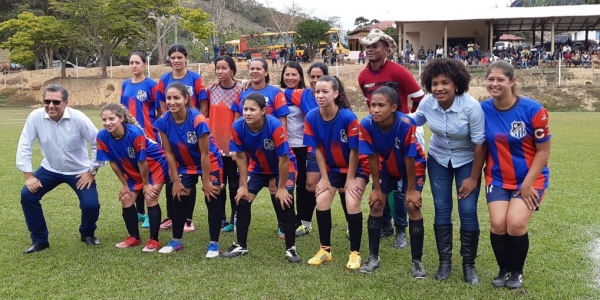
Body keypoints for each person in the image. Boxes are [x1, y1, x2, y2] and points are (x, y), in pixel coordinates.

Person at [410, 58, 486, 284]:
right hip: (438, 159)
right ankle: (445, 262)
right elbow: (416, 119)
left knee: (468, 210)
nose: (439, 88)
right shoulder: (427, 102)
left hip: (467, 161)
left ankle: (469, 265)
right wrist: (393, 118)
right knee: (442, 209)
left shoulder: (471, 107)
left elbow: (480, 143)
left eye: (445, 82)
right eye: (434, 83)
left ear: (456, 84)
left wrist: (473, 177)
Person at [482, 61, 551, 289]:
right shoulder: (482, 109)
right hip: (498, 178)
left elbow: (543, 151)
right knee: (498, 224)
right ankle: (504, 270)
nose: (495, 83)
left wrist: (528, 184)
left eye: (500, 79)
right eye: (491, 79)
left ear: (512, 82)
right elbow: (480, 146)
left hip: (531, 179)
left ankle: (517, 272)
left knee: (515, 224)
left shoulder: (533, 110)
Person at [358, 28, 425, 250]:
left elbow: (419, 98)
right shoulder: (363, 76)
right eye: (367, 46)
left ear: (386, 48)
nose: (370, 49)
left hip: (403, 133)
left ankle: (401, 230)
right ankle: (384, 224)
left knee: (400, 187)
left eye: (375, 45)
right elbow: (371, 106)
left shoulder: (398, 71)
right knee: (381, 180)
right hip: (379, 134)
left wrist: (407, 120)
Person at [17, 84, 103, 253]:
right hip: (50, 169)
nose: (50, 106)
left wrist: (91, 172)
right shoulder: (35, 117)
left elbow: (98, 144)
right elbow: (25, 144)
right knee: (27, 195)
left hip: (79, 171)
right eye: (47, 101)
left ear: (66, 102)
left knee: (91, 205)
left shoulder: (79, 118)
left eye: (56, 102)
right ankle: (40, 240)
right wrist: (29, 176)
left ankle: (87, 233)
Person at [223, 92, 301, 263]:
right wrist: (243, 185)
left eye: (252, 109)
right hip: (257, 168)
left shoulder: (275, 126)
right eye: (245, 109)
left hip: (283, 167)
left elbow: (284, 159)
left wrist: (281, 188)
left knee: (285, 201)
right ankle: (241, 245)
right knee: (242, 199)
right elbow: (241, 158)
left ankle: (291, 249)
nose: (248, 113)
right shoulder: (237, 126)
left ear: (263, 111)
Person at [358, 85, 426, 276]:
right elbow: (371, 156)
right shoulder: (367, 124)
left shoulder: (405, 124)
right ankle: (373, 257)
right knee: (376, 203)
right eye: (373, 105)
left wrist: (411, 190)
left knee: (413, 206)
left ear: (394, 107)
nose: (375, 110)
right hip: (386, 167)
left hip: (411, 167)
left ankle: (417, 262)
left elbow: (410, 158)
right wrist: (377, 188)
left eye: (381, 105)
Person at [304, 75, 369, 270]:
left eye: (325, 91)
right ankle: (325, 250)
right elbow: (317, 151)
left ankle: (355, 253)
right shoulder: (311, 117)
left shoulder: (348, 117)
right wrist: (324, 179)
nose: (320, 95)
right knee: (322, 199)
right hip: (332, 168)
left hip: (355, 167)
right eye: (317, 91)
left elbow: (355, 151)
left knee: (351, 201)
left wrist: (350, 179)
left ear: (335, 93)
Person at [153, 82, 224, 257]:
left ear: (186, 99)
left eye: (176, 97)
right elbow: (169, 152)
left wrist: (206, 182)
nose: (171, 102)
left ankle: (214, 244)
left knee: (212, 196)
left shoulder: (198, 119)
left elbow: (205, 153)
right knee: (178, 195)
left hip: (209, 161)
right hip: (184, 164)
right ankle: (176, 240)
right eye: (168, 98)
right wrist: (176, 181)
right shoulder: (162, 121)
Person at [96, 103, 169, 252]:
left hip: (154, 165)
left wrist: (146, 184)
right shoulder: (102, 136)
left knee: (150, 197)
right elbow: (113, 162)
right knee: (126, 198)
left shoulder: (135, 133)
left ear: (121, 118)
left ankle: (154, 240)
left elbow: (142, 161)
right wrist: (124, 184)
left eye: (111, 118)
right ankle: (134, 237)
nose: (107, 123)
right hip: (134, 169)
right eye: (104, 119)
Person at [156, 43, 208, 232]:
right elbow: (162, 106)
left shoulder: (195, 78)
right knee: (173, 174)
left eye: (180, 57)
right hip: (172, 133)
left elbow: (204, 105)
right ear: (169, 59)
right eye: (173, 57)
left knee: (190, 174)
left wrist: (197, 126)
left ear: (186, 58)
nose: (176, 60)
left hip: (193, 133)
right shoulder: (163, 79)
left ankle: (188, 218)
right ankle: (172, 216)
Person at [279, 62, 321, 237]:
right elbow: (268, 89)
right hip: (285, 145)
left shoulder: (304, 94)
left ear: (300, 77)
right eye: (287, 74)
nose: (290, 78)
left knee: (304, 184)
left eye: (294, 74)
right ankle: (285, 220)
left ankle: (303, 219)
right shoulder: (281, 94)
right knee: (285, 182)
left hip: (304, 145)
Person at [120, 52, 159, 229]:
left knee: (149, 174)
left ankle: (152, 212)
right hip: (129, 136)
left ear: (144, 64)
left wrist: (157, 135)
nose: (134, 65)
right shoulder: (125, 85)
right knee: (134, 172)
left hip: (148, 135)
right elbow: (121, 110)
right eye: (131, 62)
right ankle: (141, 212)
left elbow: (158, 111)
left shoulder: (152, 85)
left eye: (137, 62)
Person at [206, 55, 243, 233]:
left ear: (232, 70)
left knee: (234, 184)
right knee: (217, 185)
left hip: (233, 147)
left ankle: (234, 218)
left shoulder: (241, 89)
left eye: (224, 68)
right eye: (217, 68)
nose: (220, 71)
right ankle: (219, 219)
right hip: (214, 148)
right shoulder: (211, 89)